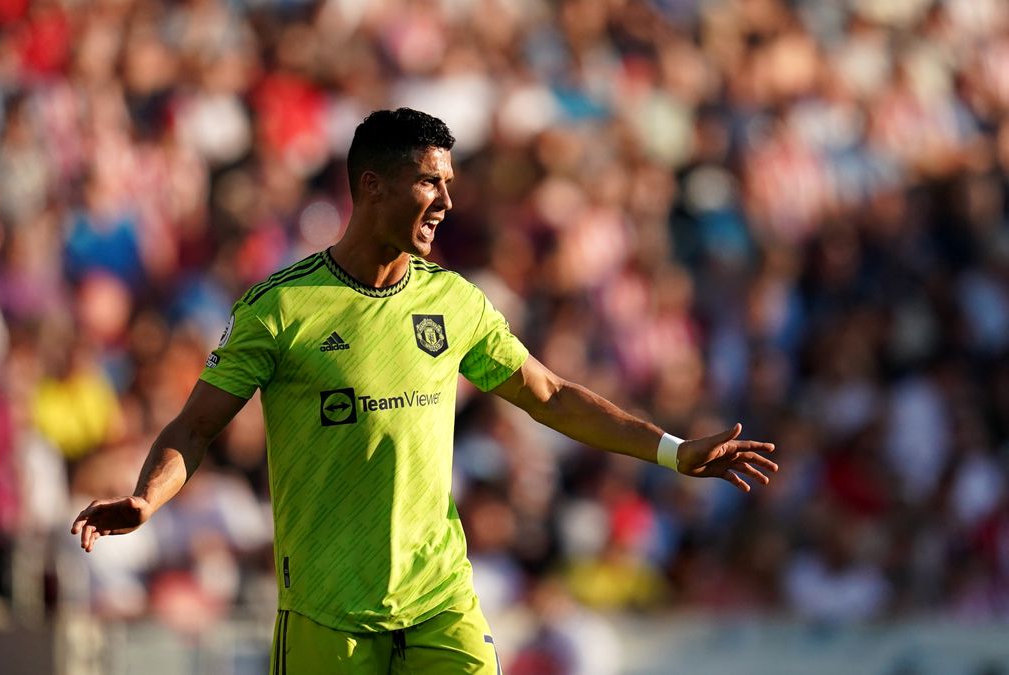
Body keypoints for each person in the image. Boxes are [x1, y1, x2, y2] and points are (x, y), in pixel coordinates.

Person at [71, 108, 778, 674]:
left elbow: (551, 393)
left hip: (439, 599)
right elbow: (194, 427)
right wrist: (146, 498)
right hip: (327, 612)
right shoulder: (281, 308)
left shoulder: (453, 301)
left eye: (448, 184)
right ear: (371, 186)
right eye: (428, 182)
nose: (445, 200)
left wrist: (673, 450)